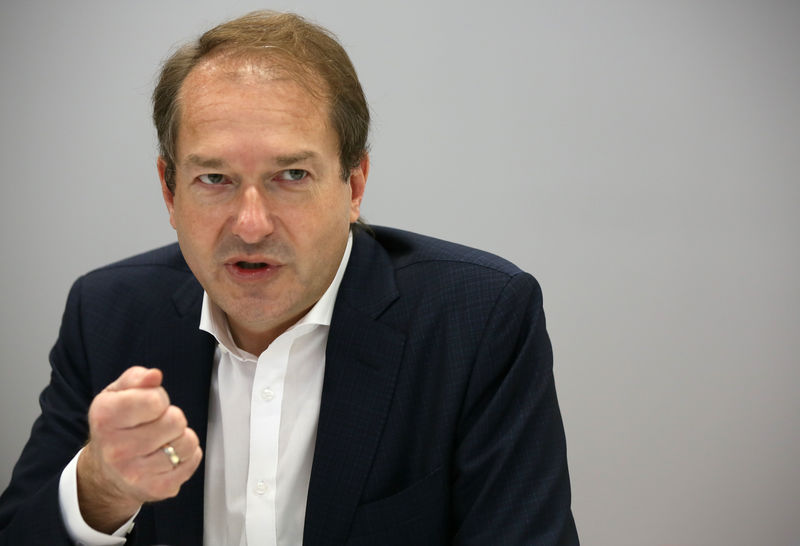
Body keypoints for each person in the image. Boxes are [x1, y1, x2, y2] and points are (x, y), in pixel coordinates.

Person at [0, 10, 578, 546]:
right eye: (215, 179)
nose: (251, 226)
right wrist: (100, 489)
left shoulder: (477, 320)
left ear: (353, 186)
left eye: (292, 175)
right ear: (169, 190)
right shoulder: (108, 314)